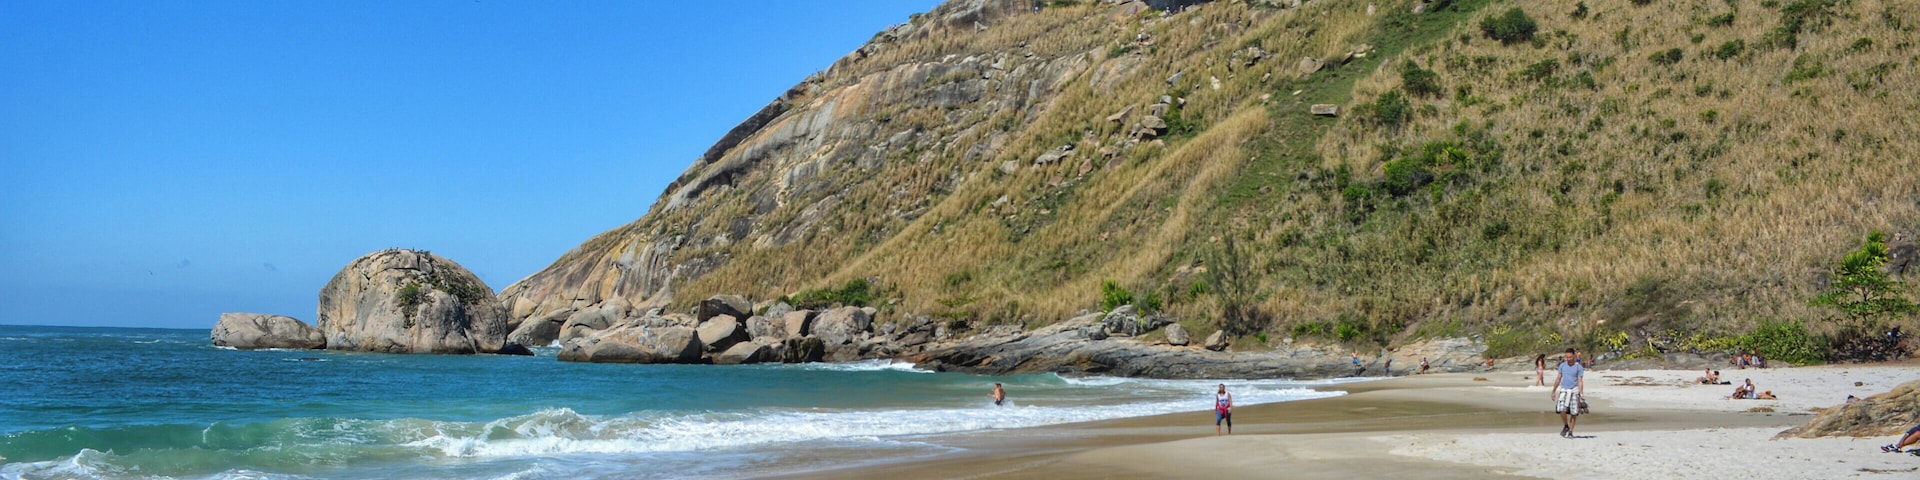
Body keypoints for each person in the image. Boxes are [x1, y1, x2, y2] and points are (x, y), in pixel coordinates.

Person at [1551, 348, 1585, 438]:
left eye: (1570, 357)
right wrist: (1553, 391)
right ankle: (1566, 425)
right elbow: (1558, 378)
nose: (1569, 359)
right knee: (1561, 409)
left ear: (1574, 355)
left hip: (1574, 390)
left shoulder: (1579, 367)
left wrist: (1581, 394)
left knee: (1574, 413)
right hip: (1564, 390)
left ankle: (1571, 431)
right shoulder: (1562, 366)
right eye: (1567, 357)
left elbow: (1580, 381)